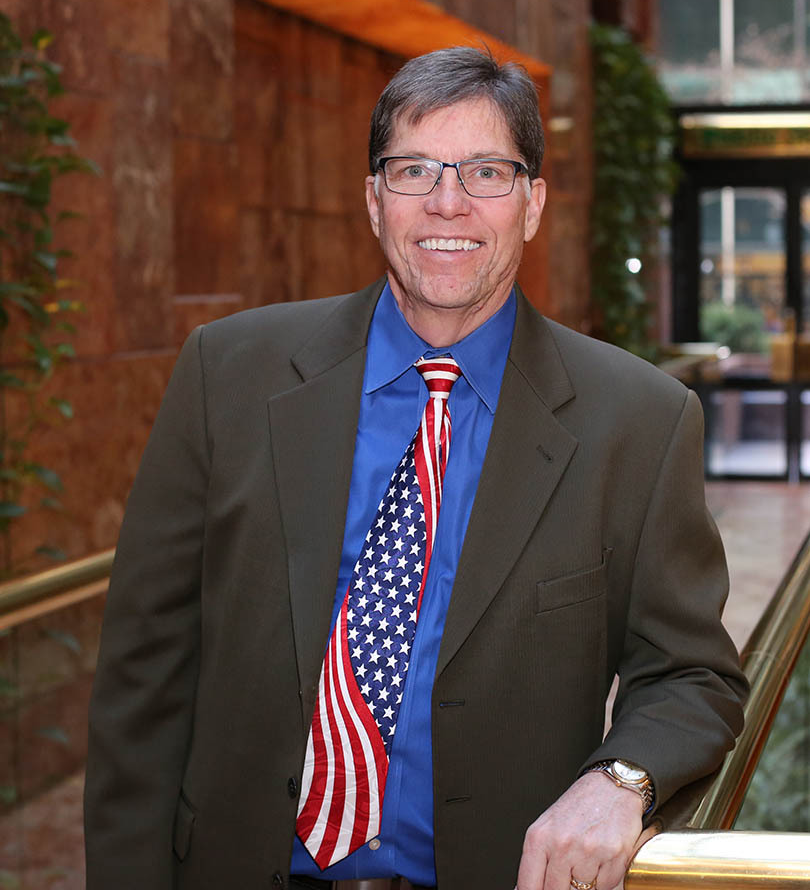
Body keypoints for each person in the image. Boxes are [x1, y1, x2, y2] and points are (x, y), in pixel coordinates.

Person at [84, 47, 747, 890]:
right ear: (374, 200)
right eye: (413, 170)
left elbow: (693, 672)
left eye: (487, 172)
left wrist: (620, 780)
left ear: (533, 204)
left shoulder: (639, 422)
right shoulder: (229, 374)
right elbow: (142, 678)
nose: (447, 201)